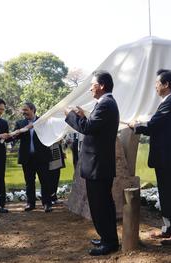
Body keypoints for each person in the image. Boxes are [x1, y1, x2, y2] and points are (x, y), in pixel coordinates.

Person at [129, 69, 171, 246]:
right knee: (166, 196)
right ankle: (169, 229)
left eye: (157, 83)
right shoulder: (167, 102)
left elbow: (153, 126)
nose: (155, 86)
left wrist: (136, 126)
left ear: (166, 84)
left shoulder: (170, 103)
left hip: (168, 159)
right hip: (164, 159)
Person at [65, 70, 119, 256]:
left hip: (98, 165)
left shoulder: (106, 104)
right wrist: (82, 115)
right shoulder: (105, 104)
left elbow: (88, 128)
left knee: (100, 205)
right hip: (98, 164)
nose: (90, 88)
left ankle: (109, 242)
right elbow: (95, 126)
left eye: (92, 84)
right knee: (103, 204)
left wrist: (71, 115)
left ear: (102, 85)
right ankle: (107, 237)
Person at [12, 102, 53, 212]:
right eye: (23, 110)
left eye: (26, 110)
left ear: (33, 110)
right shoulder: (20, 123)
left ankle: (47, 204)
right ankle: (31, 204)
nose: (24, 112)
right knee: (29, 182)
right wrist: (11, 135)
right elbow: (14, 137)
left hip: (42, 157)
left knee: (45, 181)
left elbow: (50, 135)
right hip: (27, 158)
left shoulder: (43, 121)